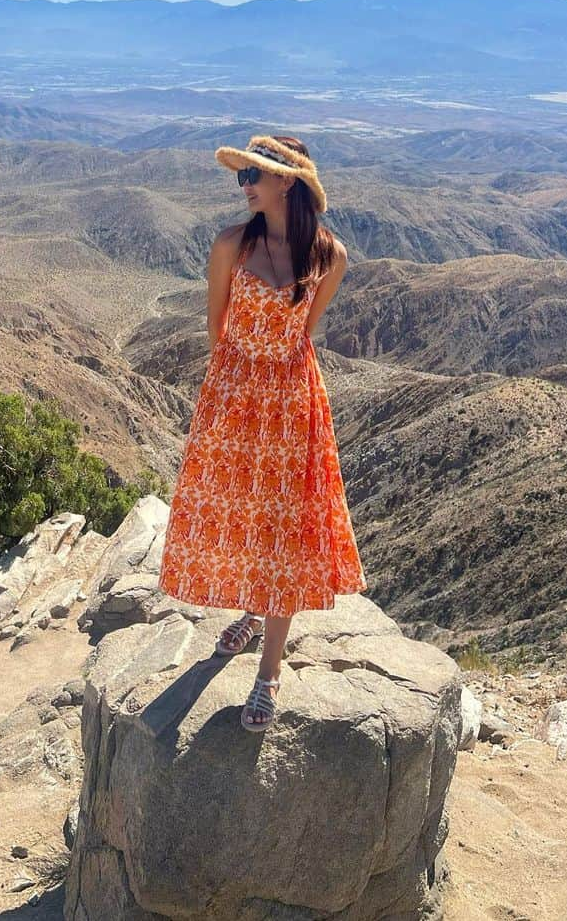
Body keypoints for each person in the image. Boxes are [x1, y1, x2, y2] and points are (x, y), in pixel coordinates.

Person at [156, 132, 368, 732]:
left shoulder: (331, 257)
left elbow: (303, 333)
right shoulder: (230, 245)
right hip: (234, 394)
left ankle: (268, 673)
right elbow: (216, 327)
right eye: (242, 176)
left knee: (284, 531)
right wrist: (232, 397)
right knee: (248, 514)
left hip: (294, 399)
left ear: (287, 183)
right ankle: (253, 609)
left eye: (254, 176)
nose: (244, 186)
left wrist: (274, 376)